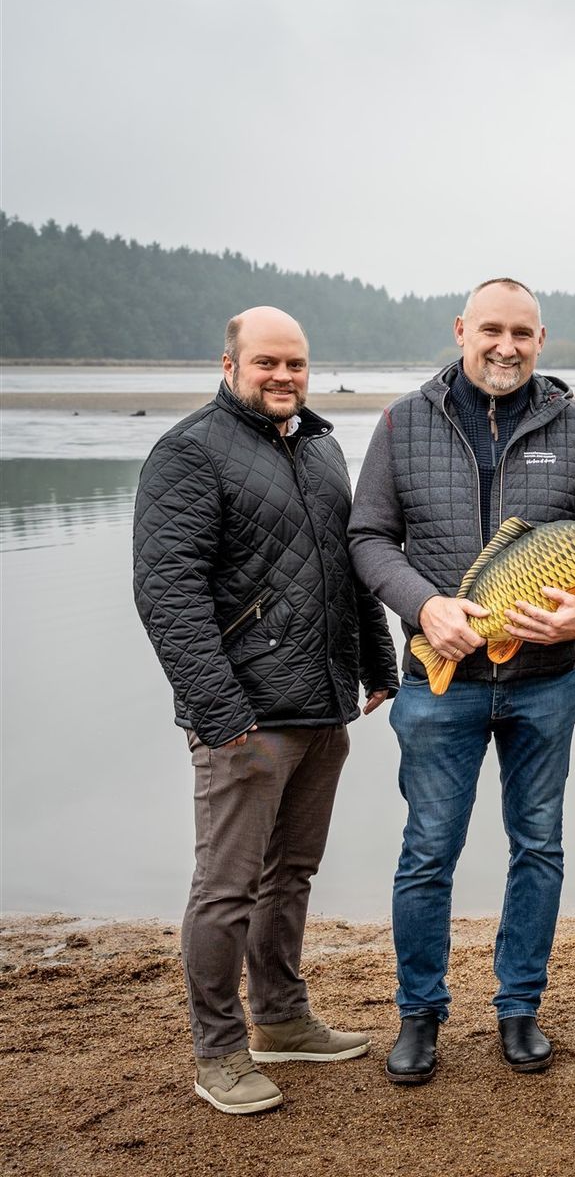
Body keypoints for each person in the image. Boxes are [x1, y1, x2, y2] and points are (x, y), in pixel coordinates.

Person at [349, 277, 575, 1084]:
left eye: (523, 334)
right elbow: (368, 538)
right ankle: (420, 1016)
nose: (506, 347)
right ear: (462, 329)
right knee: (428, 850)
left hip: (546, 683)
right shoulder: (404, 422)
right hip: (439, 685)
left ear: (543, 340)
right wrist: (424, 606)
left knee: (537, 845)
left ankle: (519, 1009)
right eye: (492, 330)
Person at [133, 307, 397, 1114]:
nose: (284, 377)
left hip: (322, 706)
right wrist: (221, 714)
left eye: (297, 364)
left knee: (291, 873)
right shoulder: (187, 453)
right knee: (226, 888)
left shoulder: (319, 446)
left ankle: (281, 1018)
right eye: (267, 364)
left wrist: (378, 659)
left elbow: (349, 563)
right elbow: (166, 595)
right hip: (243, 718)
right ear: (230, 364)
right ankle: (218, 1051)